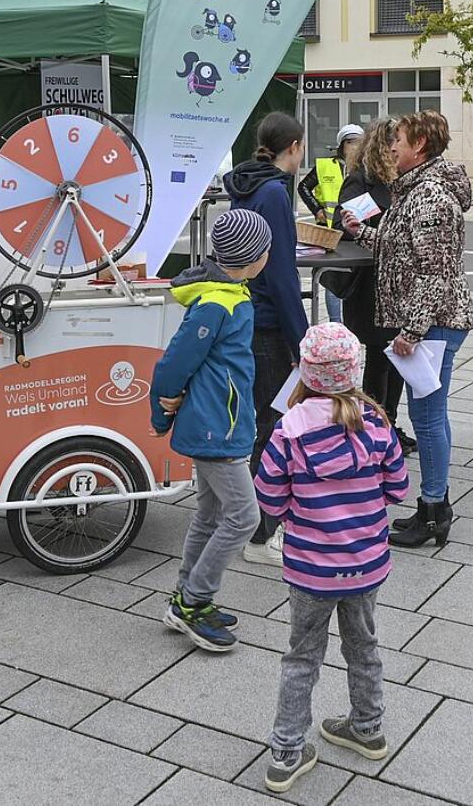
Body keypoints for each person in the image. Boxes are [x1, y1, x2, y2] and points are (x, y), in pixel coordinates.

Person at [254, 322, 408, 794]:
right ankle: (367, 728)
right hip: (366, 563)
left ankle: (286, 751)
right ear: (354, 370)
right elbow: (398, 489)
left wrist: (295, 513)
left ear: (305, 371)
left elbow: (269, 496)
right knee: (364, 647)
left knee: (302, 656)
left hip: (310, 567)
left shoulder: (289, 429)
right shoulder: (378, 425)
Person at [341, 110, 473, 548]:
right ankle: (433, 504)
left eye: (397, 140)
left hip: (434, 324)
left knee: (429, 418)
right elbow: (397, 249)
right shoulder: (412, 191)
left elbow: (433, 272)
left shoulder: (431, 196)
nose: (391, 147)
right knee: (426, 415)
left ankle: (435, 509)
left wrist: (412, 331)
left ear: (419, 145)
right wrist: (361, 233)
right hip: (427, 322)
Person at [150, 208, 272, 652]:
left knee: (211, 515)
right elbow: (175, 362)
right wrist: (161, 410)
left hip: (220, 422)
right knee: (244, 516)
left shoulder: (231, 294)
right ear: (252, 257)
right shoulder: (219, 303)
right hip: (216, 429)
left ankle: (188, 598)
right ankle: (192, 601)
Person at [224, 113, 310, 565]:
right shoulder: (275, 191)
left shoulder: (245, 183)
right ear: (293, 147)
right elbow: (281, 274)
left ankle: (246, 517)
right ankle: (261, 532)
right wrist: (303, 339)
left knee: (255, 417)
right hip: (270, 321)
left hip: (246, 314)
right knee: (271, 421)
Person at [335, 117, 414, 454]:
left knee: (394, 356)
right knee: (381, 357)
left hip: (395, 282)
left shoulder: (401, 181)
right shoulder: (360, 182)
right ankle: (375, 422)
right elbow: (349, 226)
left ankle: (389, 422)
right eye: (394, 142)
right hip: (369, 284)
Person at [299, 124, 364, 323]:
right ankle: (336, 323)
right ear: (341, 145)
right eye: (350, 142)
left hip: (357, 231)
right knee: (333, 278)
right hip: (330, 231)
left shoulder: (366, 167)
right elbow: (304, 187)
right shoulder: (325, 166)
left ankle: (353, 322)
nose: (354, 147)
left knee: (355, 279)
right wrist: (317, 210)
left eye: (358, 143)